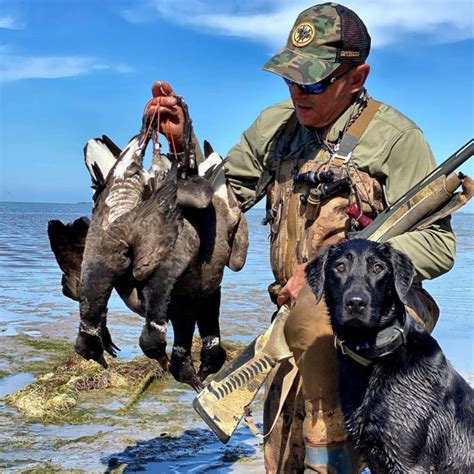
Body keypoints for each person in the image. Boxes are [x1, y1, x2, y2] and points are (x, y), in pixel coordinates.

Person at [145, 3, 455, 472]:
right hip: (293, 328)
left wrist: (335, 267)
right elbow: (219, 201)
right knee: (283, 456)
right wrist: (182, 146)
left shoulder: (397, 140)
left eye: (313, 82)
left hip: (362, 338)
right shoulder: (274, 128)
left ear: (357, 77)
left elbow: (438, 244)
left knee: (337, 457)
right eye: (290, 78)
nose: (298, 93)